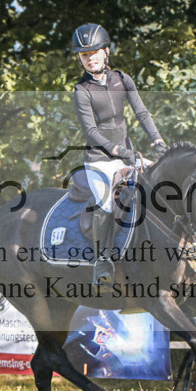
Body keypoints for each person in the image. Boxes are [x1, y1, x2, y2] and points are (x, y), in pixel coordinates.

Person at [71, 23, 167, 285]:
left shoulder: (122, 80)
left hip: (126, 154)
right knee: (105, 201)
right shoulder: (82, 92)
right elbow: (91, 131)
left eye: (94, 52)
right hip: (100, 160)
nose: (90, 58)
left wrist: (157, 140)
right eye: (84, 55)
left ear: (106, 51)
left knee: (160, 184)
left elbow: (142, 113)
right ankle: (103, 261)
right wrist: (117, 150)